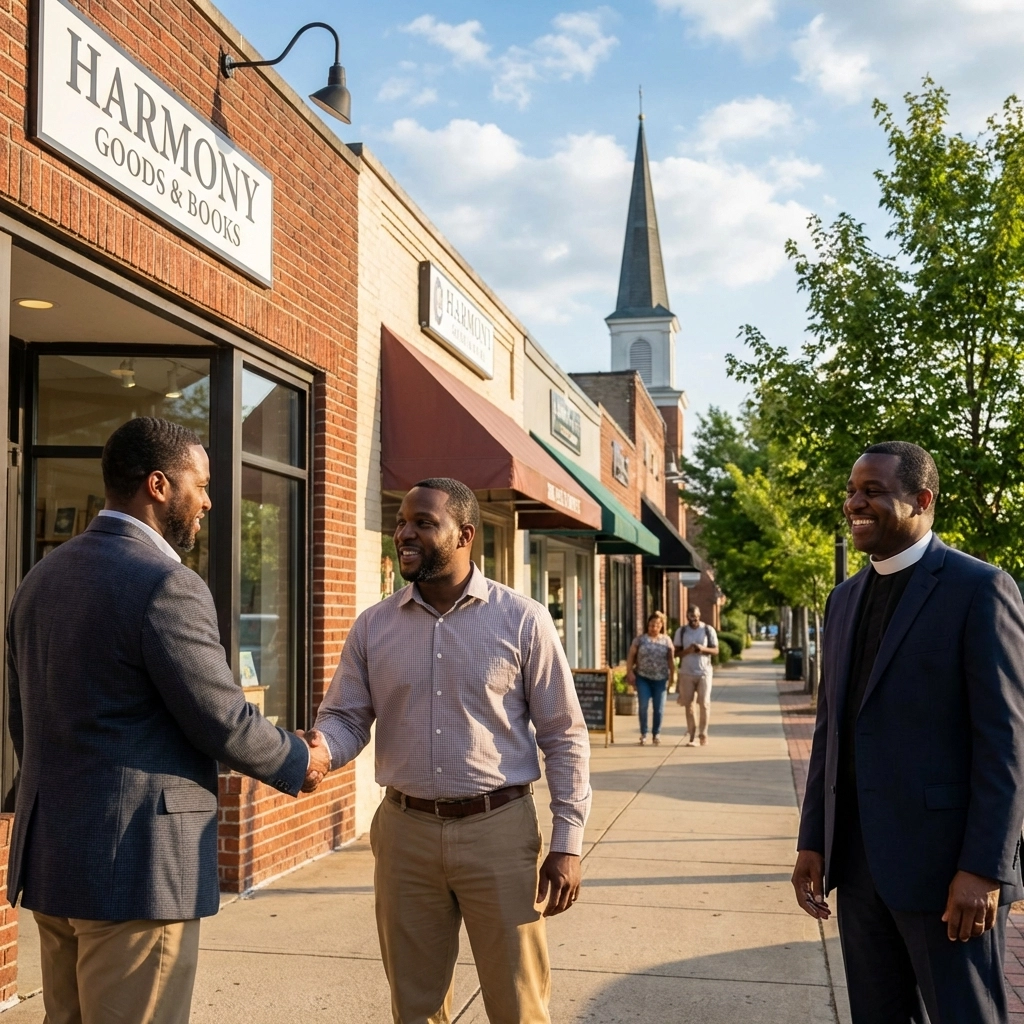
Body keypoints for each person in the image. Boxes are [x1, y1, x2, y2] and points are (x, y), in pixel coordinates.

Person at [5, 418, 329, 1024]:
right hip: (136, 874)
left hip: (56, 859)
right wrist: (298, 759)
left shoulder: (39, 578)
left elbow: (24, 719)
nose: (208, 500)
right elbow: (223, 720)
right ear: (158, 485)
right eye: (200, 484)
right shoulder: (165, 582)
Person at [313, 477, 591, 1024]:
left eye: (422, 522)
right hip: (404, 834)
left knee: (519, 1005)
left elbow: (564, 735)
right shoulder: (374, 625)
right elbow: (345, 717)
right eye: (400, 521)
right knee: (414, 1008)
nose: (404, 533)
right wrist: (319, 751)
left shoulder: (523, 620)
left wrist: (568, 841)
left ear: (465, 534)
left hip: (499, 830)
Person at [792, 441, 1024, 1024]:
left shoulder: (980, 589)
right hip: (860, 868)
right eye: (851, 491)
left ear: (921, 501)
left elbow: (1007, 745)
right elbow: (831, 730)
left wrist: (984, 867)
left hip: (948, 874)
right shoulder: (843, 600)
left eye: (872, 491)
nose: (854, 503)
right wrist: (813, 839)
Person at [626, 611, 676, 745]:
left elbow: (671, 660)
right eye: (651, 624)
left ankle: (656, 733)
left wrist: (673, 676)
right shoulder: (640, 640)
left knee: (659, 708)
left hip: (660, 679)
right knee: (643, 706)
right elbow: (631, 656)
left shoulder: (666, 640)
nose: (653, 627)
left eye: (656, 625)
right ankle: (643, 733)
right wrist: (629, 671)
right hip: (643, 677)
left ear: (661, 626)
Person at [673, 605, 719, 746]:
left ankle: (703, 734)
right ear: (687, 616)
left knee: (704, 703)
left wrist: (702, 648)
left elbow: (716, 650)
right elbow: (675, 653)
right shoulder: (681, 632)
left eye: (696, 617)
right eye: (690, 617)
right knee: (689, 705)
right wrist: (687, 651)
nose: (693, 619)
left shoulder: (707, 630)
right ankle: (692, 734)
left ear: (699, 615)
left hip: (704, 672)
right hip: (686, 672)